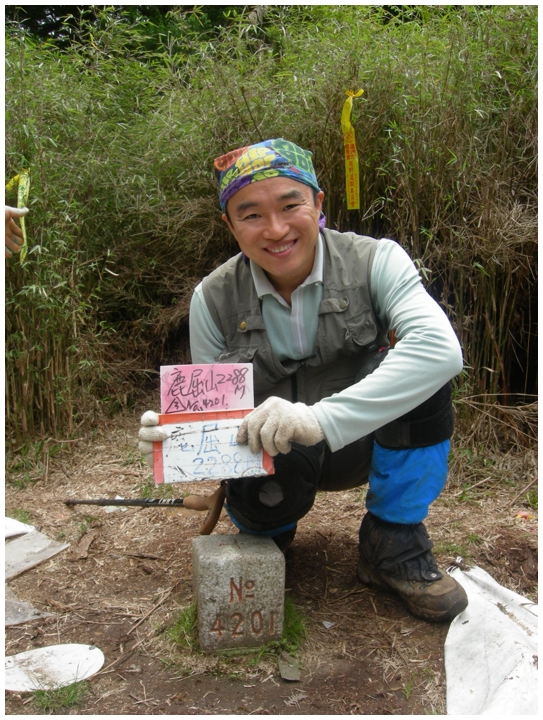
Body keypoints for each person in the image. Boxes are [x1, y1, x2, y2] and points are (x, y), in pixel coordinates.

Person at [139, 138, 468, 622]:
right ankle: (268, 533)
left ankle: (393, 544)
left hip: (362, 441)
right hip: (275, 457)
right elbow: (212, 413)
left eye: (290, 205)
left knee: (425, 383)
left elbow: (440, 351)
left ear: (318, 204)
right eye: (250, 214)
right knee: (263, 513)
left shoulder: (377, 260)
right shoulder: (211, 298)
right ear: (229, 226)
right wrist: (178, 436)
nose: (275, 229)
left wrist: (316, 419)